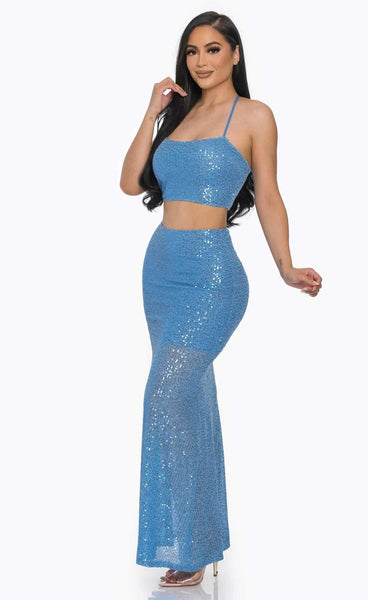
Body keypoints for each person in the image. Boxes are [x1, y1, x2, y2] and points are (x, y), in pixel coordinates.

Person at [120, 10, 322, 588]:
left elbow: (269, 194)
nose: (201, 61)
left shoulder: (254, 115)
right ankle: (201, 542)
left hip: (213, 276)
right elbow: (131, 183)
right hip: (161, 270)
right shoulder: (178, 116)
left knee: (166, 395)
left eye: (212, 49)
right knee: (190, 402)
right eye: (192, 51)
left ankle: (191, 545)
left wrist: (286, 267)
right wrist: (151, 112)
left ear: (235, 53)